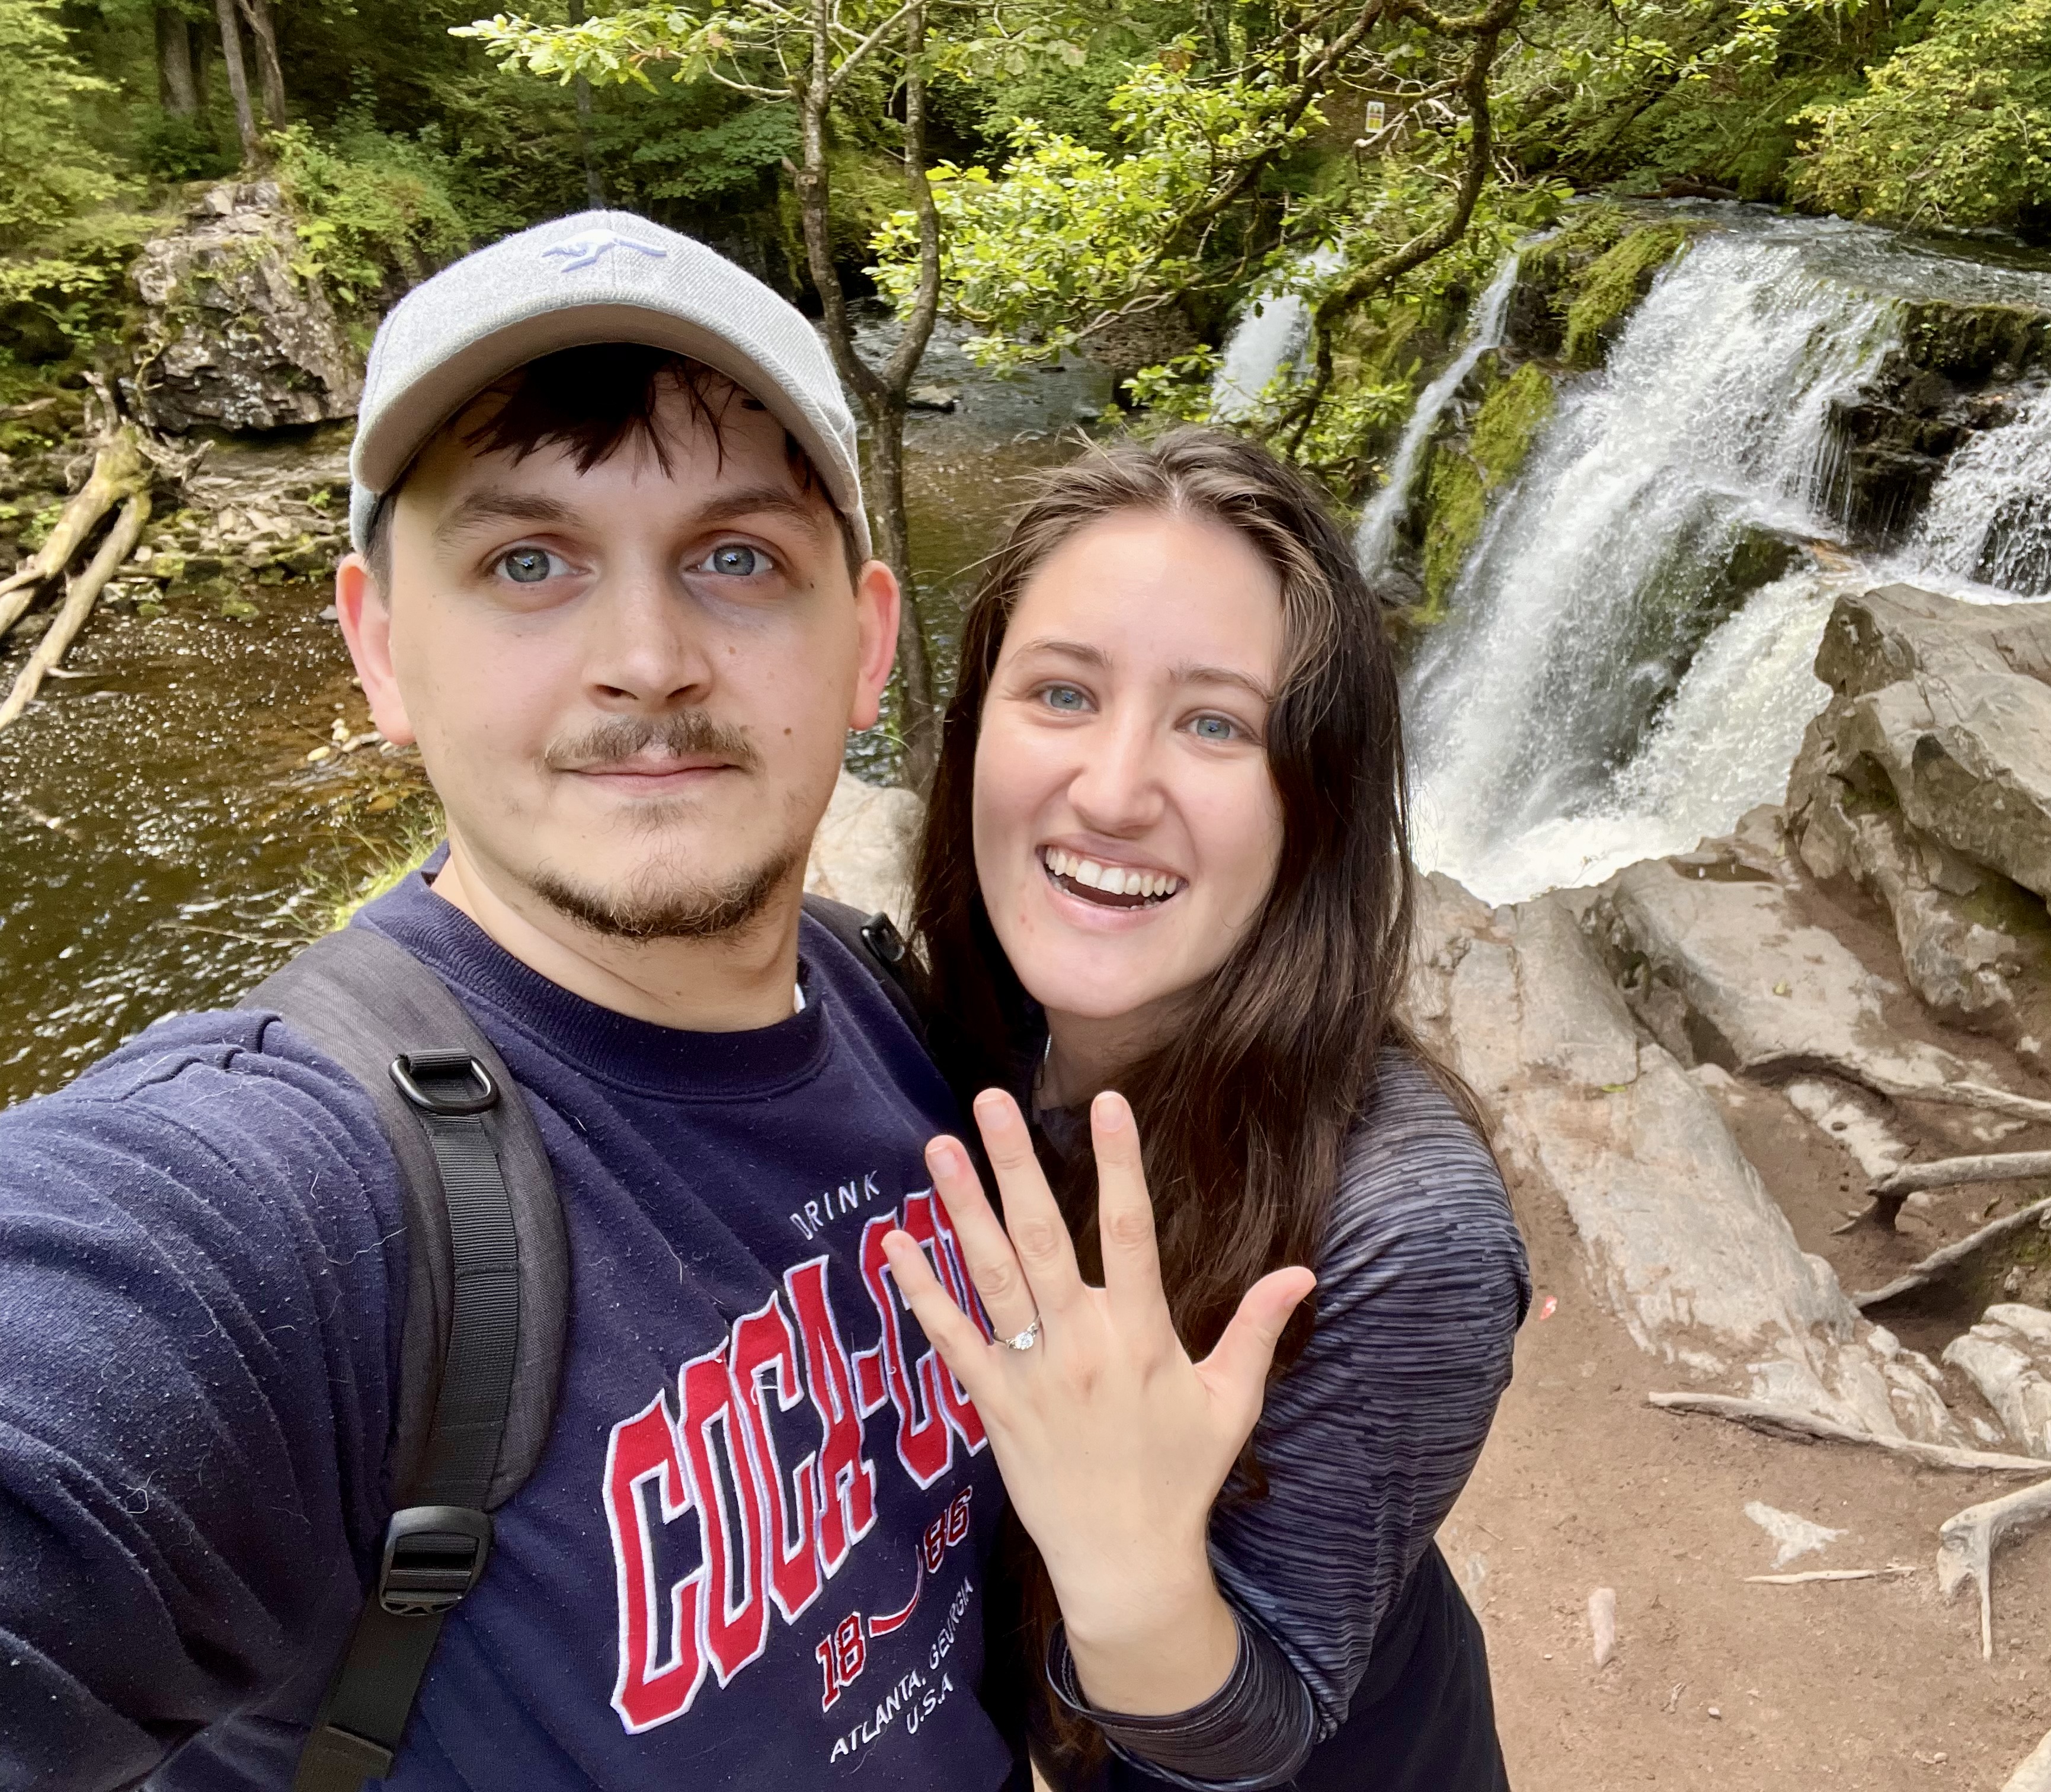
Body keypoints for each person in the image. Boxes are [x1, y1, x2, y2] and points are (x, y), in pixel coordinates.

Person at [0, 212, 1028, 1790]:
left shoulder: (885, 1008)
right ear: (382, 652)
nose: (647, 658)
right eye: (527, 562)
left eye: (738, 558)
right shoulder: (289, 1201)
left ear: (868, 646)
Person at [880, 430, 1530, 1791]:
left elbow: (1262, 1733)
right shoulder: (942, 1039)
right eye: (1061, 693)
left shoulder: (1403, 1226)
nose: (1114, 794)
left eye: (1218, 723)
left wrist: (1125, 1574)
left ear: (1318, 805)